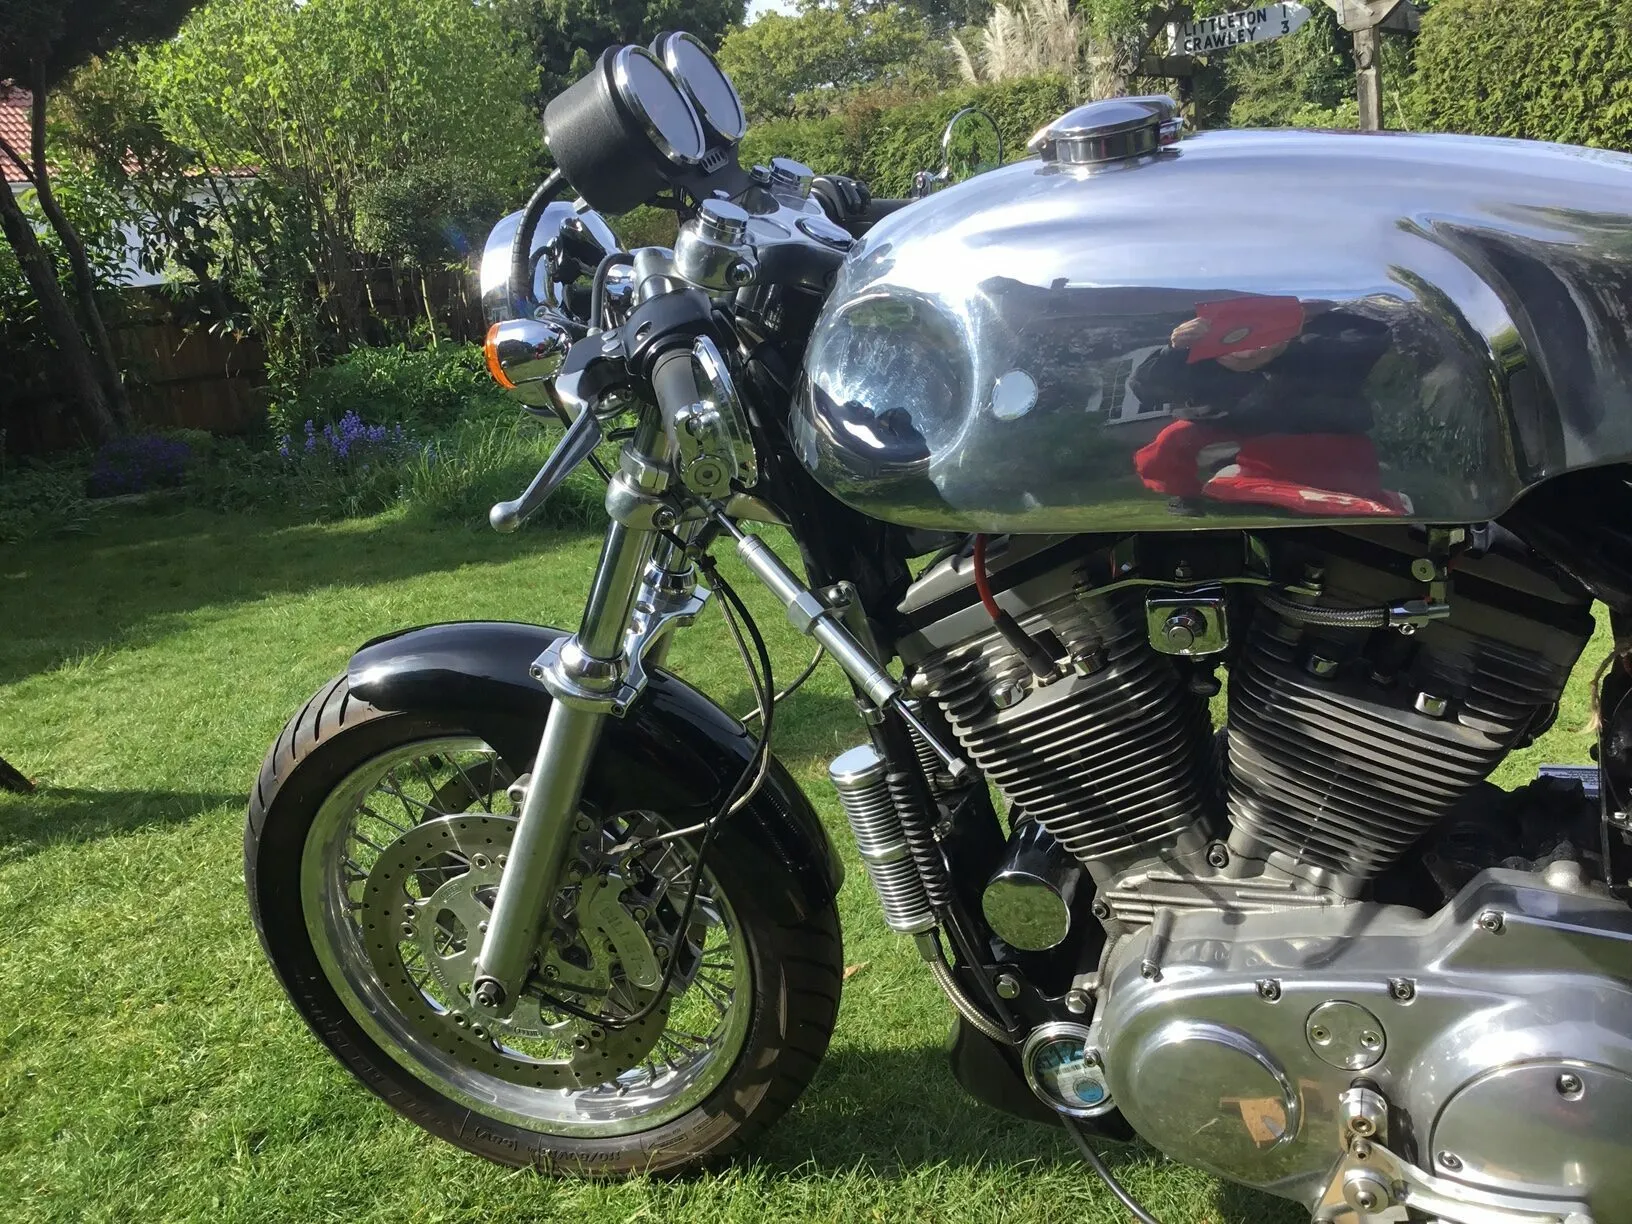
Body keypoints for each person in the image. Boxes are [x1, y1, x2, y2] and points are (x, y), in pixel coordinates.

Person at [1129, 300, 1411, 517]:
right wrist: (1176, 349)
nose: (1248, 351)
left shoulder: (1323, 334)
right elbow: (1145, 387)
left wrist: (1288, 340)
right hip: (1221, 423)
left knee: (1323, 455)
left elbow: (1366, 346)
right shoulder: (1198, 344)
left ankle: (1326, 495)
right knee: (1170, 443)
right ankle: (1187, 495)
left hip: (1300, 427)